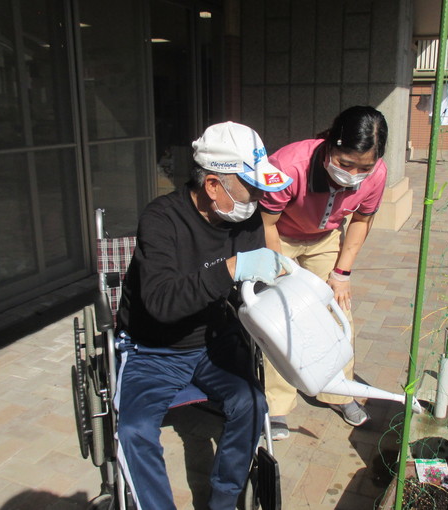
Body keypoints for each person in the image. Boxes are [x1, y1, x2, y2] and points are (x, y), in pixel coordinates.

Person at [114, 121, 294, 510]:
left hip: (215, 341)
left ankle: (224, 501)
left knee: (252, 404)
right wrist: (230, 268)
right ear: (213, 185)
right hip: (153, 349)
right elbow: (162, 303)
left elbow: (251, 295)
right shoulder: (161, 220)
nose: (260, 198)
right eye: (252, 188)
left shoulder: (245, 220)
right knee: (133, 430)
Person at [259, 105, 388, 440]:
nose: (353, 173)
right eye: (345, 163)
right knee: (280, 320)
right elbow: (266, 224)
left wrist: (342, 272)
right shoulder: (287, 165)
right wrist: (283, 277)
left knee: (337, 315)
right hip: (280, 239)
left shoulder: (376, 174)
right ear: (330, 144)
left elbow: (361, 220)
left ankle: (339, 391)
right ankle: (276, 405)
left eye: (364, 167)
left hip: (325, 240)